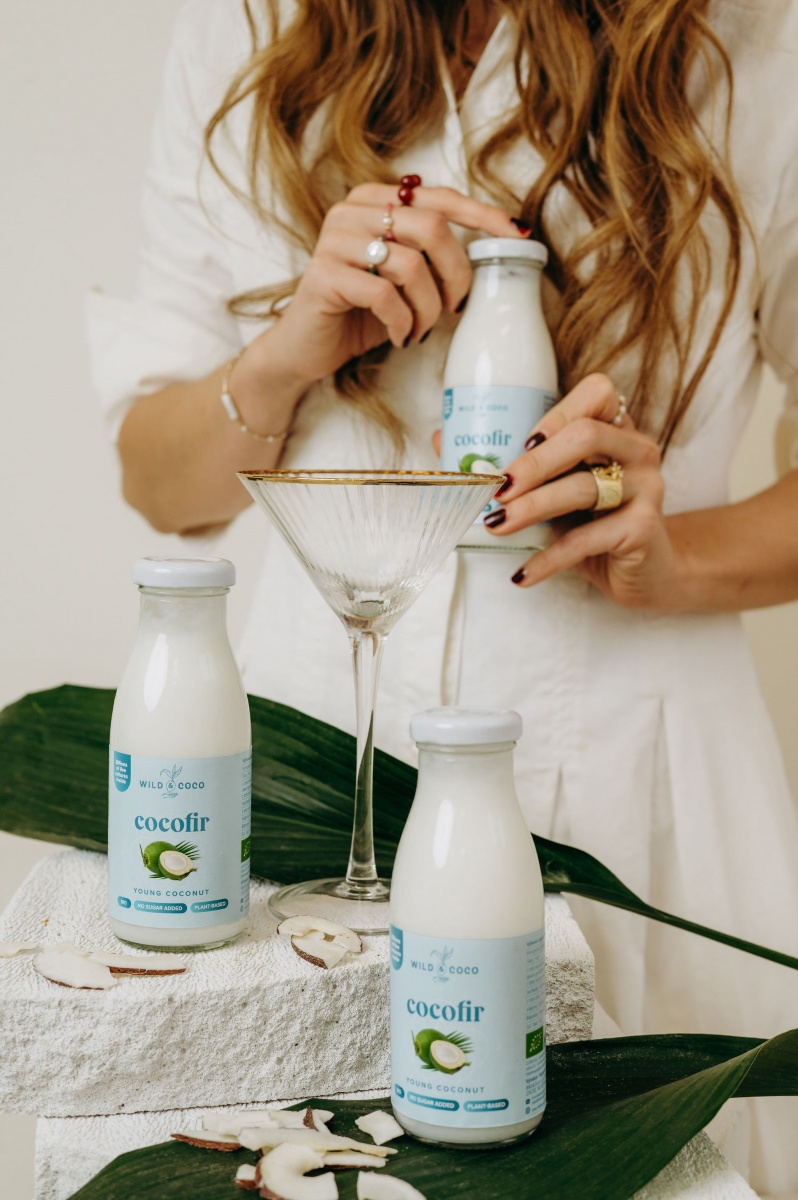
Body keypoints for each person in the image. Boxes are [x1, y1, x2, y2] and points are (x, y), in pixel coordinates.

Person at [88, 0, 798, 1191]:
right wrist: (293, 345)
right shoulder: (248, 30)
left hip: (640, 796)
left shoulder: (758, 46)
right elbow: (160, 485)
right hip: (316, 775)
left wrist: (674, 555)